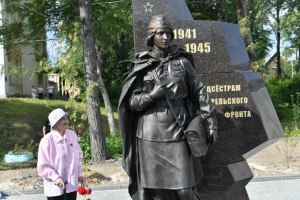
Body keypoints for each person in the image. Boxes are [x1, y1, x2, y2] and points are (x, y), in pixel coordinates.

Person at [118, 15, 218, 200]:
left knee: (185, 191)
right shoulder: (142, 65)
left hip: (178, 130)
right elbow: (132, 103)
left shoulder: (182, 62)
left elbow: (200, 92)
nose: (165, 37)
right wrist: (152, 95)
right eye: (160, 33)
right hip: (149, 134)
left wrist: (211, 121)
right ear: (151, 36)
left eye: (168, 33)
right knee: (153, 192)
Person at [37, 108, 84, 200]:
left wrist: (79, 173)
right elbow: (43, 165)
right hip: (54, 185)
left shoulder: (72, 135)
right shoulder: (47, 140)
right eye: (62, 119)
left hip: (71, 184)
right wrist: (55, 177)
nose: (66, 121)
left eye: (66, 118)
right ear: (54, 123)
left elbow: (78, 155)